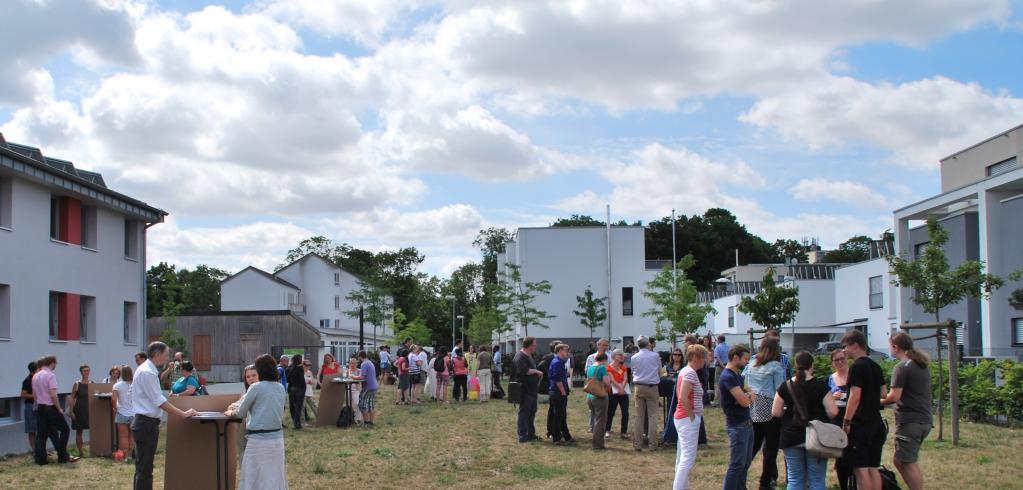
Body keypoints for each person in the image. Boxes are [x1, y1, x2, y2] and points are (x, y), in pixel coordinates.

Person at [132, 342, 198, 489]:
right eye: (166, 355)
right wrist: (183, 414)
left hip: (144, 423)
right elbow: (159, 401)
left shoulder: (146, 369)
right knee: (145, 469)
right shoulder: (148, 372)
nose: (168, 358)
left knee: (142, 467)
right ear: (157, 354)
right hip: (146, 424)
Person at [772, 351, 839, 490]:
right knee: (817, 480)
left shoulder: (785, 386)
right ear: (812, 365)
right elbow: (833, 412)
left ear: (795, 365)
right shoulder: (821, 386)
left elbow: (776, 412)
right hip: (817, 436)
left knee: (794, 479)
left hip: (791, 435)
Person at [226, 354, 288, 490]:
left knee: (254, 478)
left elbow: (241, 413)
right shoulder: (280, 387)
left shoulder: (256, 387)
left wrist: (231, 412)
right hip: (277, 439)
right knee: (274, 476)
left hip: (258, 440)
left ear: (260, 370)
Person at [881, 332, 932, 490]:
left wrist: (875, 400)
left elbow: (894, 396)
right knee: (900, 460)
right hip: (924, 419)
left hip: (909, 421)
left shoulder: (902, 367)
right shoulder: (920, 365)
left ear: (895, 347)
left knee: (908, 462)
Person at [840, 329, 888, 490]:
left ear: (855, 345)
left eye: (845, 346)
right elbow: (884, 393)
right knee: (873, 468)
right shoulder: (875, 366)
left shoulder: (857, 367)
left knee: (861, 470)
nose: (844, 350)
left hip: (861, 424)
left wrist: (846, 421)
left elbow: (855, 397)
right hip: (877, 422)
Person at [743, 336, 786, 490]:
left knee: (753, 445)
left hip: (754, 404)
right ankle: (765, 482)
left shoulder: (752, 363)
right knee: (771, 448)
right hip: (770, 406)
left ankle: (740, 476)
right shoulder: (776, 366)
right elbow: (780, 390)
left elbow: (744, 382)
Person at [673, 344, 708, 490]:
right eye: (703, 358)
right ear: (696, 358)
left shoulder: (685, 371)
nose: (705, 361)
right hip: (687, 419)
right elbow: (683, 397)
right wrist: (692, 416)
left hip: (684, 418)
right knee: (687, 458)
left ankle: (683, 487)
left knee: (682, 457)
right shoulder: (690, 373)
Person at [721, 344, 755, 490]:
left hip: (746, 423)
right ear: (735, 357)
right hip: (737, 425)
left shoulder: (738, 376)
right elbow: (745, 401)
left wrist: (747, 396)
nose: (747, 362)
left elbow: (750, 394)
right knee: (737, 464)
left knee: (745, 463)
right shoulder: (728, 377)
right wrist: (747, 397)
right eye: (745, 359)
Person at [32, 356, 76, 464]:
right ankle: (62, 456)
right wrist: (59, 408)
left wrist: (37, 405)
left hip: (40, 407)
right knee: (65, 430)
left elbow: (35, 394)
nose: (56, 365)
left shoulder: (36, 375)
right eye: (56, 363)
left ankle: (40, 460)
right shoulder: (50, 375)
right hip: (50, 407)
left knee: (42, 435)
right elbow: (53, 394)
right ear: (52, 363)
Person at [631, 336, 661, 451]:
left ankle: (638, 444)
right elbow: (659, 371)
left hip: (639, 387)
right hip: (652, 387)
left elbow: (633, 371)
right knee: (652, 416)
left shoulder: (634, 357)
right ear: (648, 344)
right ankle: (652, 444)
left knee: (639, 417)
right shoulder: (655, 356)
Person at [828, 349, 853, 490]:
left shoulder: (854, 375)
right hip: (837, 418)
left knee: (853, 451)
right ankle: (843, 484)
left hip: (853, 416)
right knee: (840, 453)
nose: (840, 362)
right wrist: (833, 396)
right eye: (836, 360)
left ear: (847, 359)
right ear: (832, 363)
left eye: (842, 358)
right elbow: (826, 397)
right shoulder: (831, 378)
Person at [513, 336, 543, 443]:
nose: (535, 346)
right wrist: (536, 371)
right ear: (529, 345)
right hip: (525, 389)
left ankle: (531, 434)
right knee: (524, 412)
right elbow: (523, 370)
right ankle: (522, 436)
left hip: (532, 389)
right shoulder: (520, 356)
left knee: (532, 412)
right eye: (534, 345)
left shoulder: (529, 355)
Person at [547, 343, 573, 445]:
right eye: (566, 350)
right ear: (560, 350)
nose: (568, 352)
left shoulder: (559, 362)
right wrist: (563, 391)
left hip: (558, 392)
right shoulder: (557, 362)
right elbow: (557, 379)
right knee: (558, 416)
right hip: (558, 393)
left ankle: (566, 436)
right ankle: (556, 438)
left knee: (561, 415)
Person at [586, 352, 612, 450]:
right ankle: (597, 444)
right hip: (600, 396)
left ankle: (598, 442)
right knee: (600, 421)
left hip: (590, 396)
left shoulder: (590, 368)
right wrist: (609, 387)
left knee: (596, 419)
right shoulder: (602, 368)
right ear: (604, 360)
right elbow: (607, 382)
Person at [67, 364, 91, 457]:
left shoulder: (92, 383)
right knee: (79, 430)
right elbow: (72, 398)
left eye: (87, 371)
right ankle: (80, 451)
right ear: (81, 372)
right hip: (79, 409)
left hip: (89, 409)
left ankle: (93, 450)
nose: (86, 372)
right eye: (84, 371)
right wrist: (71, 411)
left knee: (92, 430)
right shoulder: (77, 384)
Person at [606, 349, 630, 439]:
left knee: (625, 412)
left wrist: (622, 388)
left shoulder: (623, 366)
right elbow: (612, 380)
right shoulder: (608, 367)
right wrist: (620, 388)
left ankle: (624, 432)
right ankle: (607, 430)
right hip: (613, 392)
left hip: (623, 392)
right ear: (614, 356)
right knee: (611, 411)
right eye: (619, 354)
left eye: (622, 354)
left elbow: (625, 378)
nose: (621, 356)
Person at [112, 365, 134, 458]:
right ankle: (131, 455)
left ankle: (125, 456)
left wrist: (115, 408)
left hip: (122, 413)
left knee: (123, 436)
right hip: (134, 413)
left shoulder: (117, 385)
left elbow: (114, 399)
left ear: (121, 374)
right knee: (132, 435)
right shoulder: (135, 384)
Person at [356, 351, 378, 426]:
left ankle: (366, 422)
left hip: (368, 387)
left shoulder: (364, 364)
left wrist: (353, 377)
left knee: (362, 404)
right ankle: (371, 422)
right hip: (374, 386)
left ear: (360, 356)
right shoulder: (370, 362)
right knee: (370, 404)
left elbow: (362, 377)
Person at [21, 361, 37, 454]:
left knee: (40, 429)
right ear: (33, 371)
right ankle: (35, 450)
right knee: (32, 430)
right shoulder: (27, 380)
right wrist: (35, 396)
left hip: (38, 406)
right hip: (30, 406)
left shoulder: (37, 379)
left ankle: (40, 449)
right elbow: (23, 394)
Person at [285, 354, 306, 430]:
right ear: (299, 360)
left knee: (292, 406)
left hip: (291, 388)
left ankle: (294, 421)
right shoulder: (300, 368)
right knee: (298, 407)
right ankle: (297, 424)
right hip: (300, 389)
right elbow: (301, 380)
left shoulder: (289, 368)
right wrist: (304, 387)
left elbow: (287, 379)